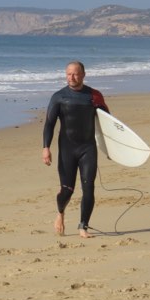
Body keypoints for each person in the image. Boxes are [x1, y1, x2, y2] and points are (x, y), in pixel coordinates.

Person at [42, 60, 109, 238]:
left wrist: (111, 148)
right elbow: (49, 124)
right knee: (67, 190)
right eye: (68, 74)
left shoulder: (94, 96)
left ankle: (83, 226)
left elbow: (108, 122)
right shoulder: (58, 97)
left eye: (75, 74)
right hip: (67, 149)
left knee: (88, 187)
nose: (71, 77)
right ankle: (60, 213)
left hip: (88, 148)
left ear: (83, 75)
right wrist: (46, 148)